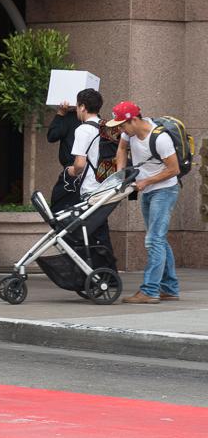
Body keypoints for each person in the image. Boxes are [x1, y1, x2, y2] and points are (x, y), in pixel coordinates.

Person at [110, 101, 181, 304]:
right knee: (158, 239)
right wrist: (122, 175)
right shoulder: (129, 133)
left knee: (154, 240)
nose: (121, 130)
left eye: (122, 125)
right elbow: (122, 149)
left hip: (165, 190)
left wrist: (146, 181)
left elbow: (173, 169)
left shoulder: (160, 139)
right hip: (148, 189)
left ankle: (150, 291)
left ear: (133, 119)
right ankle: (170, 288)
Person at [62, 88, 114, 258]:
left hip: (91, 188)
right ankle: (106, 272)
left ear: (82, 107)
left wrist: (70, 171)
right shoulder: (105, 126)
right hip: (106, 186)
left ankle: (104, 273)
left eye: (77, 106)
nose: (76, 110)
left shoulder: (83, 130)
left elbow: (79, 164)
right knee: (100, 231)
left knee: (94, 233)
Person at [47, 101, 80, 211]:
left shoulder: (70, 118)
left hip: (74, 170)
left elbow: (52, 136)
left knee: (60, 208)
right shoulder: (100, 122)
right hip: (93, 173)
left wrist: (60, 113)